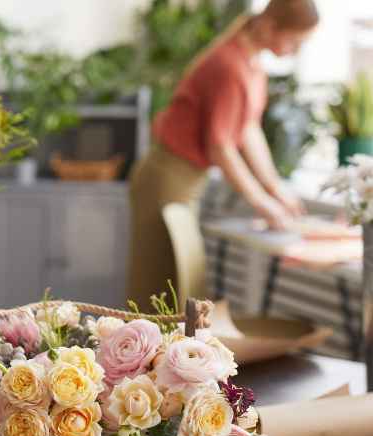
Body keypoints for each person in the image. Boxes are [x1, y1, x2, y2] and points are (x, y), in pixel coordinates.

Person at [127, 0, 319, 306]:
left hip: (184, 180)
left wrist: (275, 189)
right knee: (159, 289)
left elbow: (248, 130)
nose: (296, 50)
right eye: (294, 40)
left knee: (182, 286)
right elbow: (221, 146)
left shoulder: (251, 64)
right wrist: (261, 203)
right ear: (270, 27)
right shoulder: (229, 66)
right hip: (166, 178)